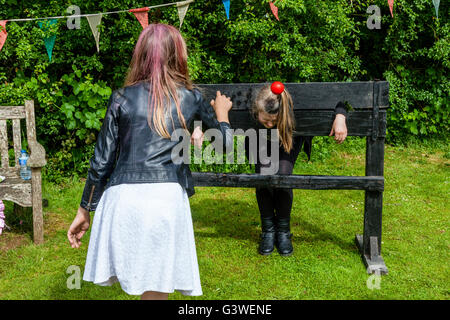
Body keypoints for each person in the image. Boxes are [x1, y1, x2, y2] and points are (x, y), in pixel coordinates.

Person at [67, 23, 233, 300]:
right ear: (178, 55)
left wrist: (85, 209)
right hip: (164, 201)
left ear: (140, 55)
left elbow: (101, 160)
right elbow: (224, 146)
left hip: (122, 201)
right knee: (155, 290)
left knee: (144, 287)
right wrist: (223, 114)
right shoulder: (191, 97)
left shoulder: (121, 97)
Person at [244, 83, 348, 256]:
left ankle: (283, 231)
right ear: (256, 112)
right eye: (265, 120)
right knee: (264, 176)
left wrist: (340, 116)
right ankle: (268, 230)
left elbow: (339, 99)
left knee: (283, 175)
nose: (270, 124)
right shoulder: (255, 106)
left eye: (274, 120)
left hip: (287, 139)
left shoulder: (290, 107)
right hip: (258, 140)